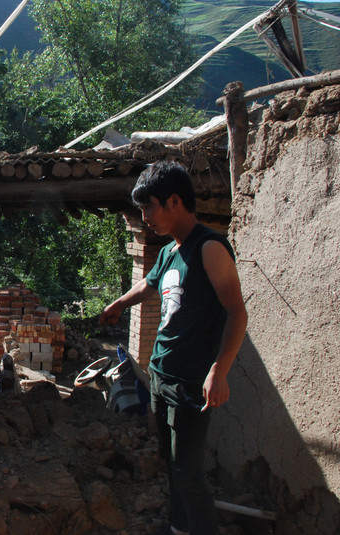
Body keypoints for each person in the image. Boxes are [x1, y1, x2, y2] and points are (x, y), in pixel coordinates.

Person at [100, 160, 248, 535]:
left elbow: (236, 312)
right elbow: (148, 286)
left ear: (175, 202)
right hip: (161, 376)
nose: (145, 216)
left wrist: (219, 370)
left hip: (191, 381)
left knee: (188, 472)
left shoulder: (209, 247)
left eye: (149, 206)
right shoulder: (169, 252)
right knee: (171, 464)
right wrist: (119, 303)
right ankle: (179, 528)